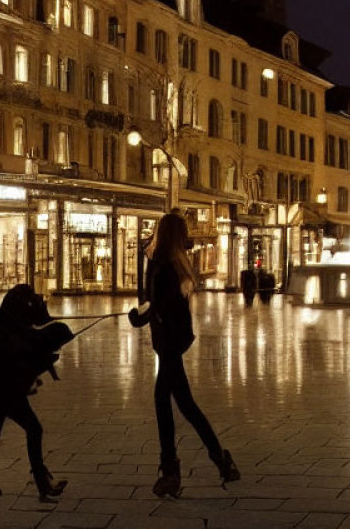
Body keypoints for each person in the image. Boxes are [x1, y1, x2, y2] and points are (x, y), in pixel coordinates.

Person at [128, 211, 239, 498]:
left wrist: (138, 318)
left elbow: (158, 304)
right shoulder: (177, 263)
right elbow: (162, 302)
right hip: (174, 340)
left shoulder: (162, 263)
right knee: (183, 404)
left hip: (167, 342)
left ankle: (172, 471)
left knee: (167, 403)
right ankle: (219, 461)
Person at [0, 284, 73, 501]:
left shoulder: (10, 327)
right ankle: (39, 482)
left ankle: (40, 483)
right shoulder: (6, 331)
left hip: (5, 390)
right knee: (16, 432)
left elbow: (28, 347)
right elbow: (21, 353)